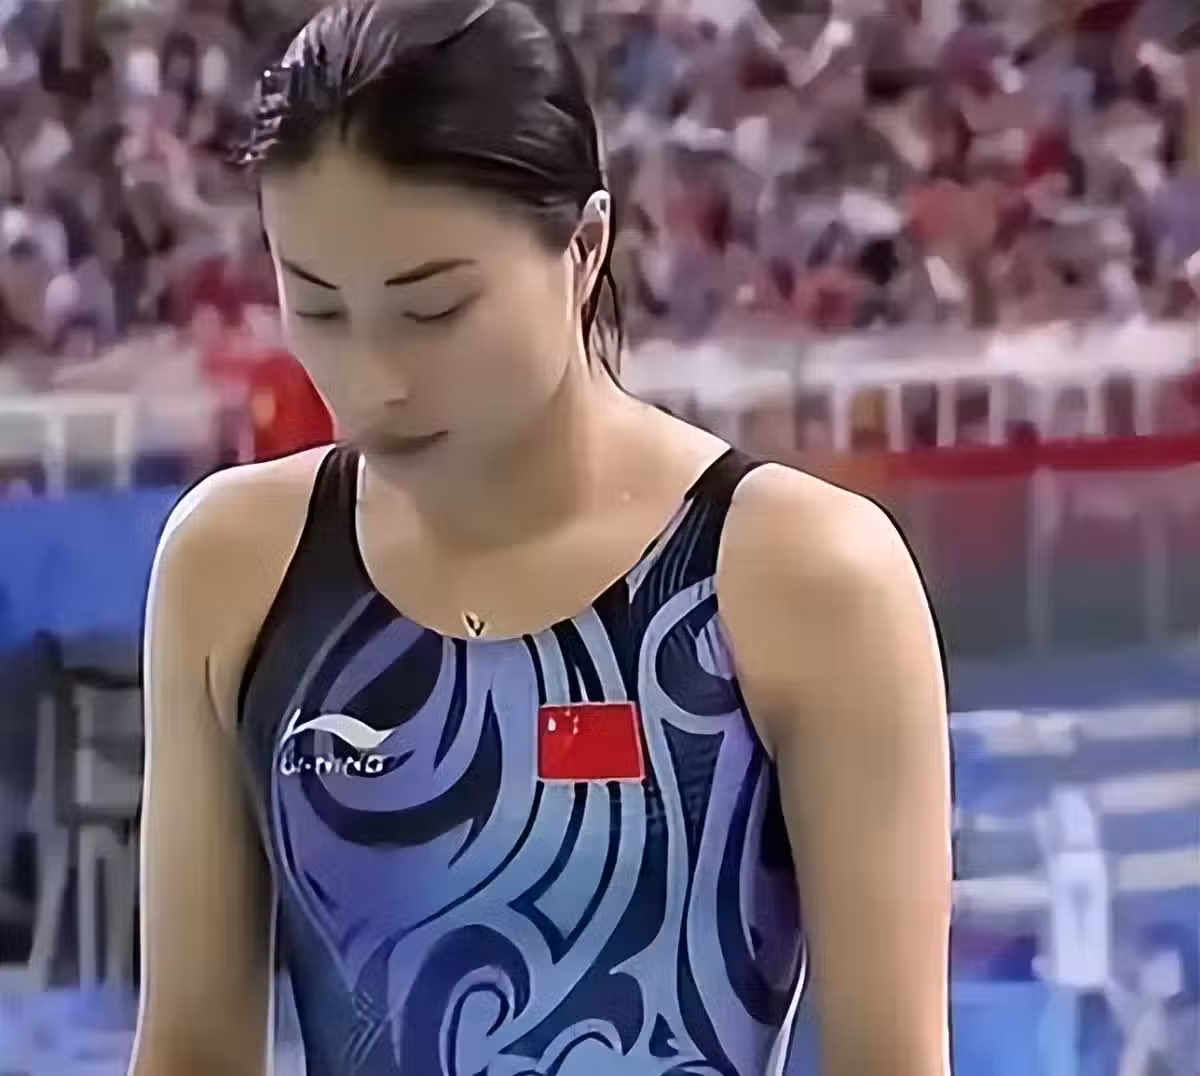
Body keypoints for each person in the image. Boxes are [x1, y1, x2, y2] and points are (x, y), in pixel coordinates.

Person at [129, 2, 952, 1075]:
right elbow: (189, 1050)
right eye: (319, 308)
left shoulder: (801, 578)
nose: (373, 381)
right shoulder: (236, 569)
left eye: (434, 310)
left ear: (585, 246)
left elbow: (892, 1059)